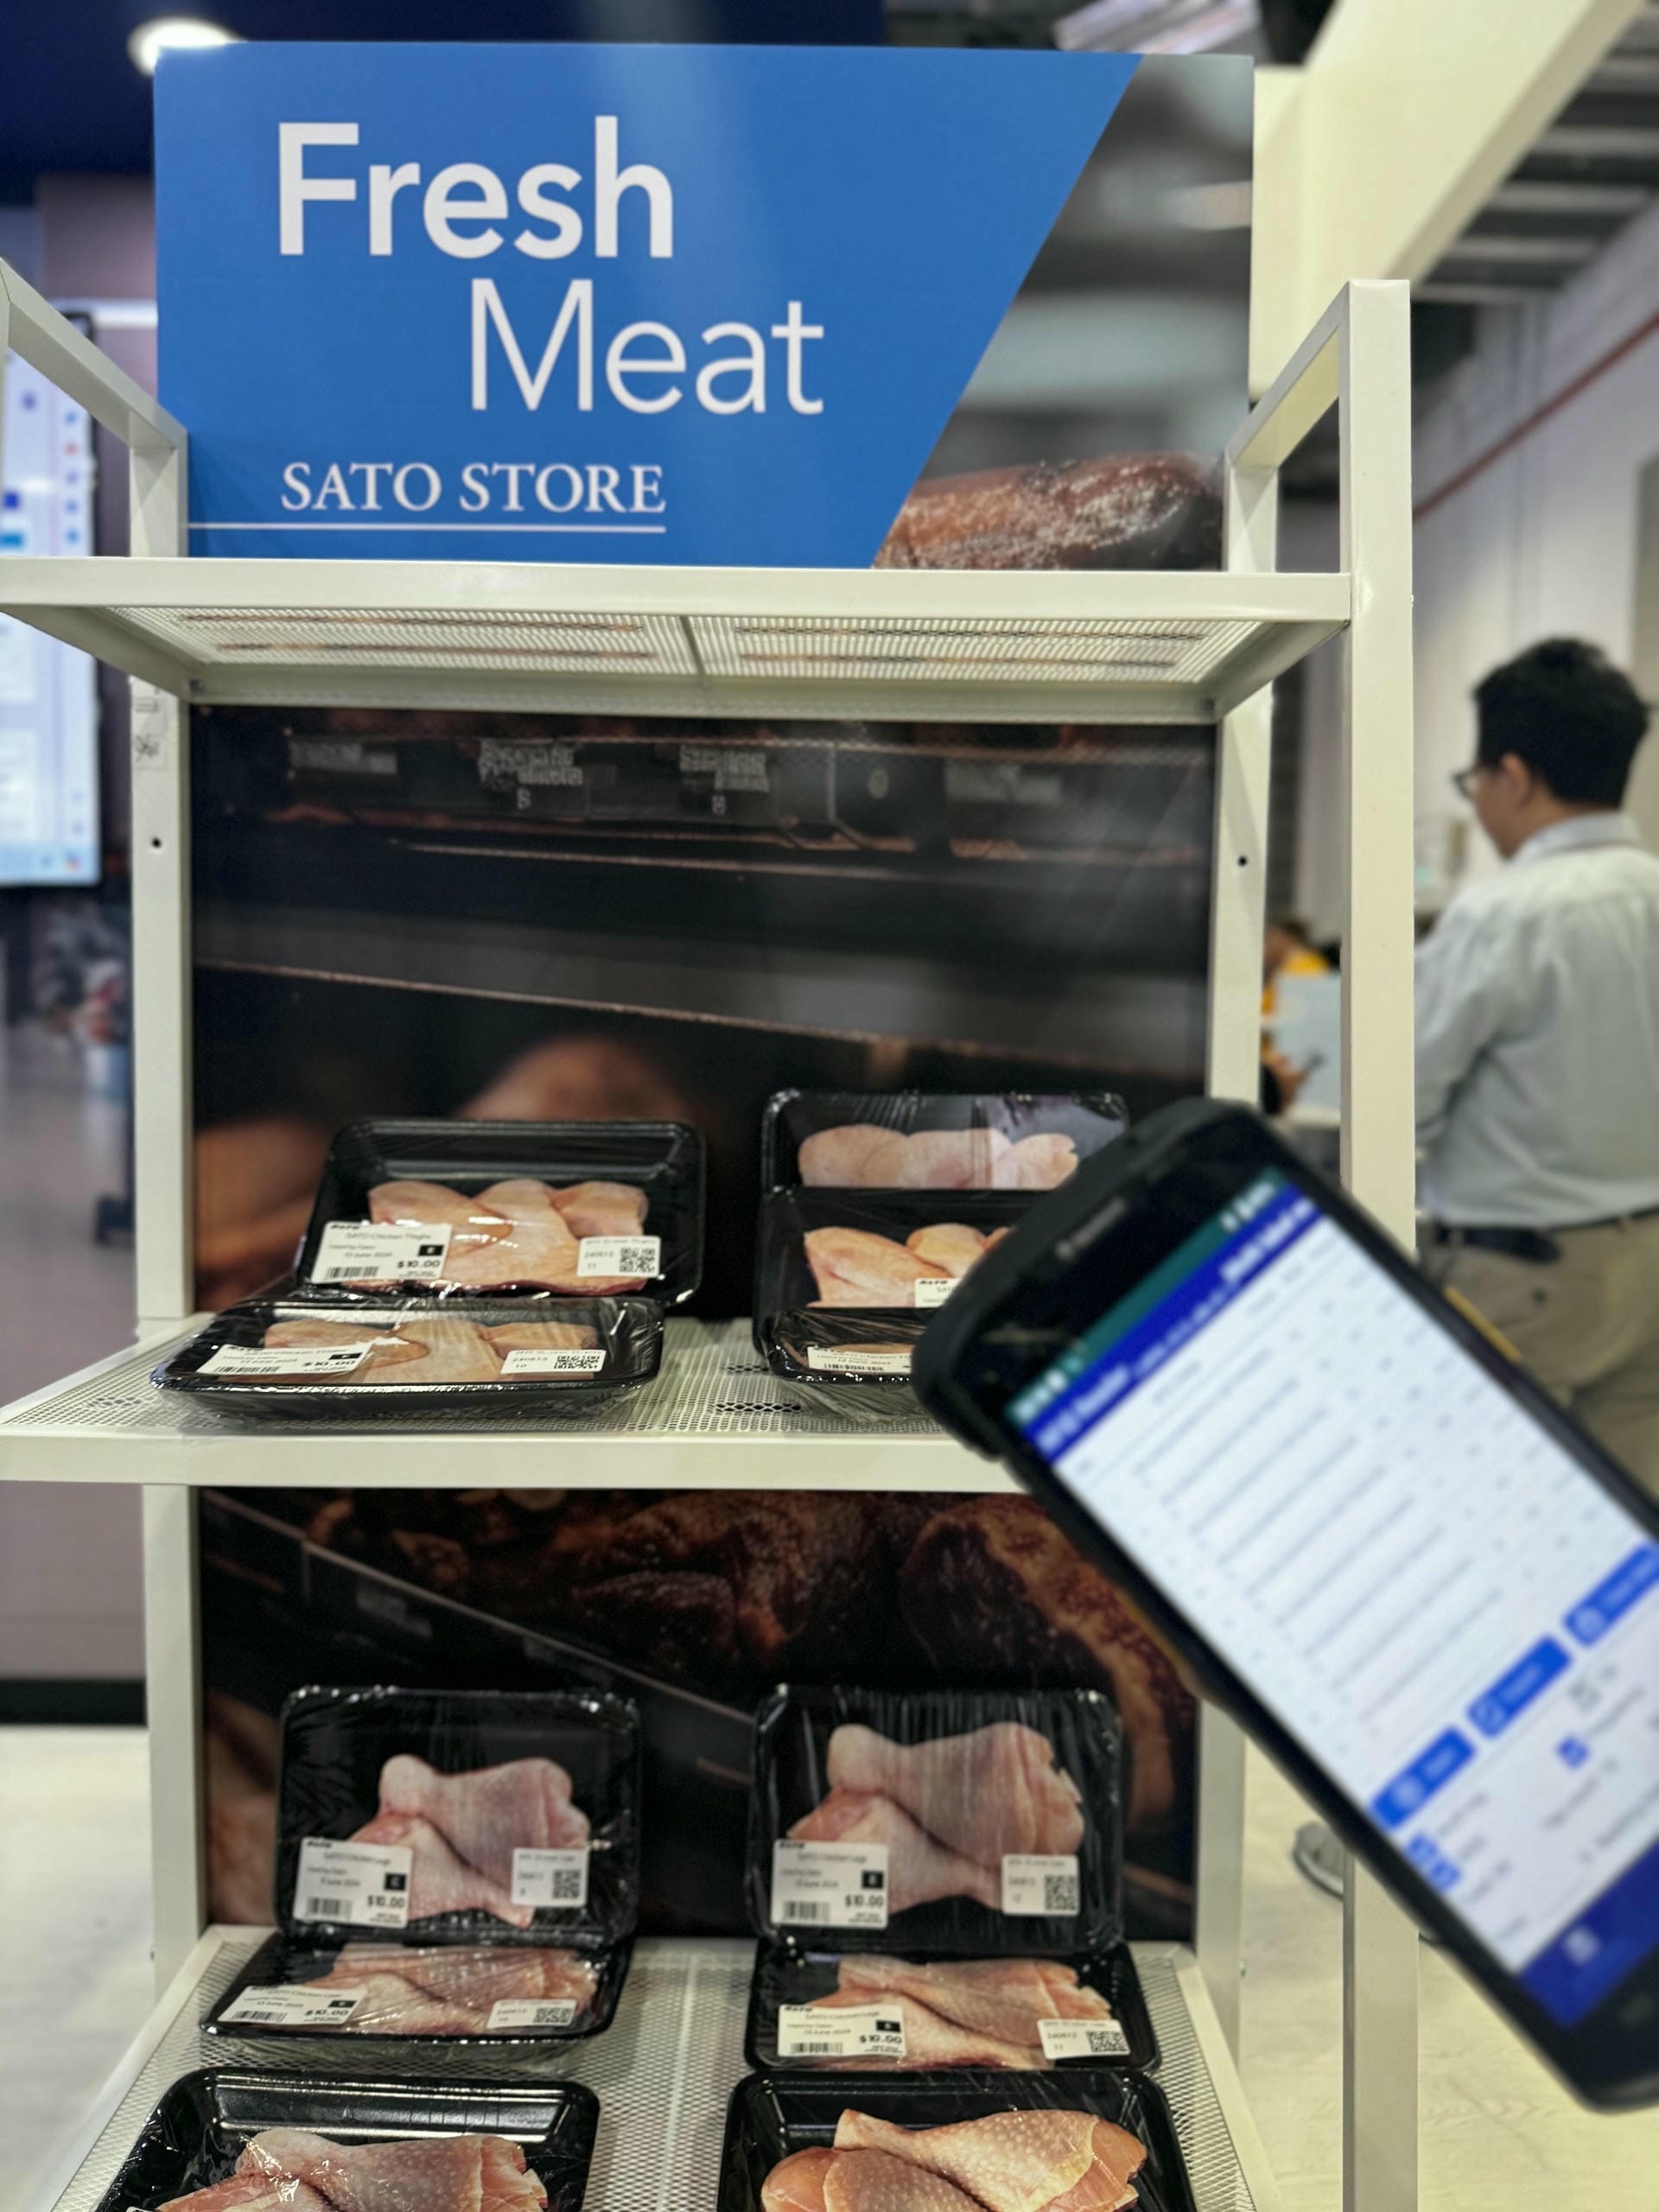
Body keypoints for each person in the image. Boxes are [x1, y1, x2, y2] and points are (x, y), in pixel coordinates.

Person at [1416, 637, 1659, 1492]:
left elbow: (1401, 1095)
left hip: (1524, 1281)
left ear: (1513, 776)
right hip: (1649, 1269)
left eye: (1475, 780)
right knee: (1632, 1522)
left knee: (1496, 1514)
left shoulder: (1504, 915)